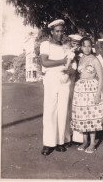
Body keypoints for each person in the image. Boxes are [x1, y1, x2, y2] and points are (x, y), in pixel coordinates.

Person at [40, 19, 76, 156]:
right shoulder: (45, 44)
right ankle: (48, 143)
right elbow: (45, 62)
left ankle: (61, 141)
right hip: (51, 79)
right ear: (51, 32)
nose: (60, 34)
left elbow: (72, 64)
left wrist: (71, 70)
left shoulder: (66, 47)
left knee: (63, 111)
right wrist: (62, 61)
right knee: (50, 110)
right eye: (57, 31)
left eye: (62, 31)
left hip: (64, 80)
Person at [71, 37, 103, 153]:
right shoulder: (81, 59)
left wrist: (97, 94)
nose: (86, 48)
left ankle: (92, 143)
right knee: (83, 116)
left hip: (92, 89)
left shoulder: (95, 60)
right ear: (81, 47)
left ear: (91, 47)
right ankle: (85, 141)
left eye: (88, 46)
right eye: (84, 46)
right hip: (81, 90)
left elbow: (101, 78)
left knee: (91, 116)